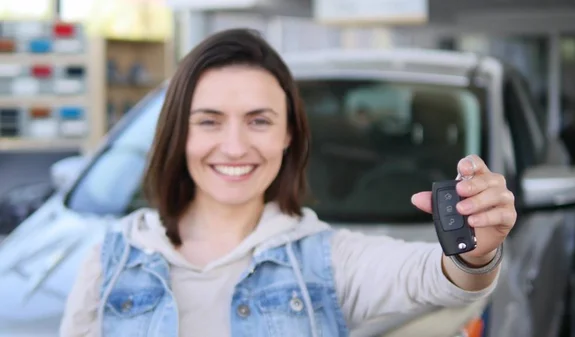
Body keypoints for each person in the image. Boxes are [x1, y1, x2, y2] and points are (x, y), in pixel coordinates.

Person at [59, 28, 516, 337]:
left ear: (288, 133)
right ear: (179, 132)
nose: (235, 147)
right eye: (210, 121)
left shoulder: (324, 259)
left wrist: (475, 252)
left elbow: (439, 279)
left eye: (259, 121)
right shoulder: (112, 259)